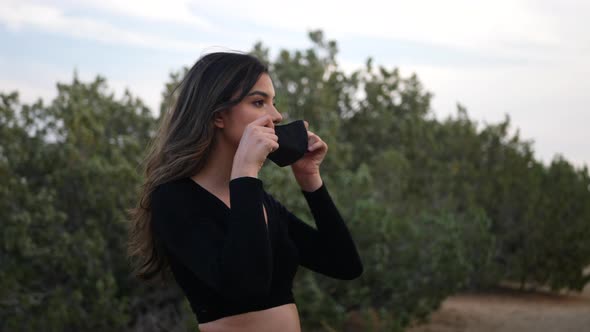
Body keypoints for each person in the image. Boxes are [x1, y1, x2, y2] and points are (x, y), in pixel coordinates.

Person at [127, 51, 363, 332]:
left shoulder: (259, 202)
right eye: (259, 102)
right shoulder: (174, 199)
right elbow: (247, 288)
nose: (276, 115)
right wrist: (245, 172)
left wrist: (310, 178)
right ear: (218, 116)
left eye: (273, 103)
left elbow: (344, 264)